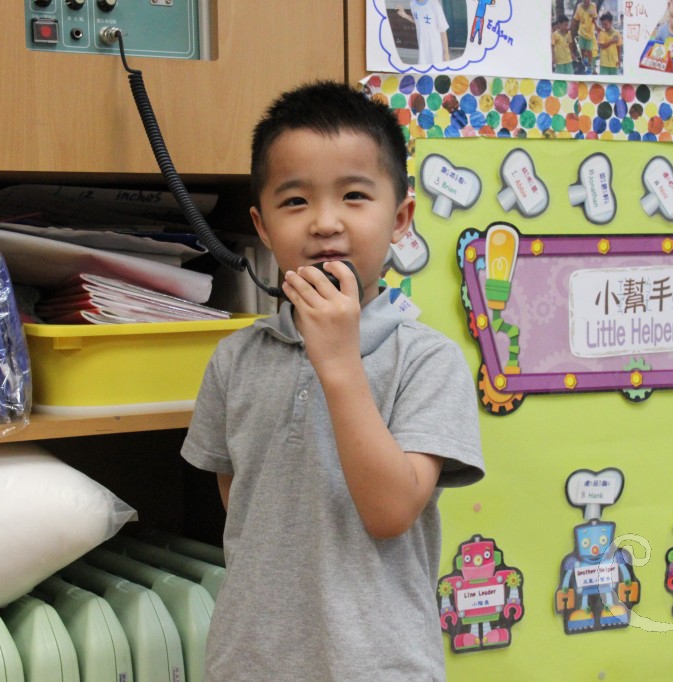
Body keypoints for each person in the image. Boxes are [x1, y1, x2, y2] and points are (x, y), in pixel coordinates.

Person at [181, 81, 485, 681]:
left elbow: (390, 512)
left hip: (379, 665)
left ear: (400, 218)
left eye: (354, 196)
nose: (325, 223)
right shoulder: (236, 359)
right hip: (249, 663)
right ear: (262, 226)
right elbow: (239, 498)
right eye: (295, 201)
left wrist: (340, 362)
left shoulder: (428, 361)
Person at [571, 0, 600, 74]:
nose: (586, 2)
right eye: (585, 1)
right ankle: (584, 61)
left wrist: (597, 26)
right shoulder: (579, 7)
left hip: (590, 34)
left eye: (588, 1)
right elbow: (575, 19)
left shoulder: (593, 6)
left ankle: (590, 65)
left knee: (589, 50)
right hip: (581, 32)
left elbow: (594, 18)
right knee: (582, 48)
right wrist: (571, 27)